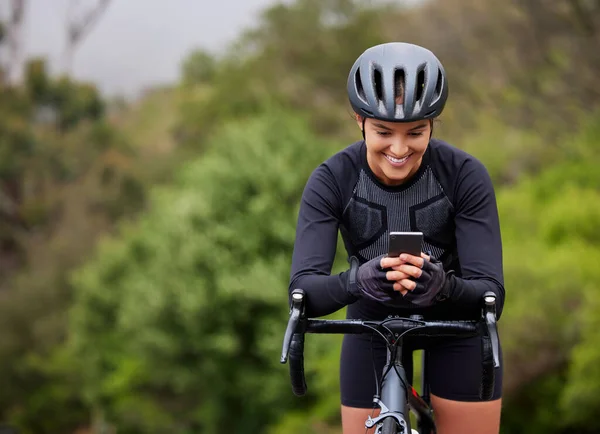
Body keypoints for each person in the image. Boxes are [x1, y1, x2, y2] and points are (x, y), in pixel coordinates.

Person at [288, 42, 505, 434]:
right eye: (384, 132)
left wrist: (443, 285)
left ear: (433, 124)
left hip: (457, 321)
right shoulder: (331, 179)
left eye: (416, 132)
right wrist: (357, 280)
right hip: (371, 323)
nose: (400, 149)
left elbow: (490, 293)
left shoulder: (465, 175)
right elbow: (302, 291)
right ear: (359, 119)